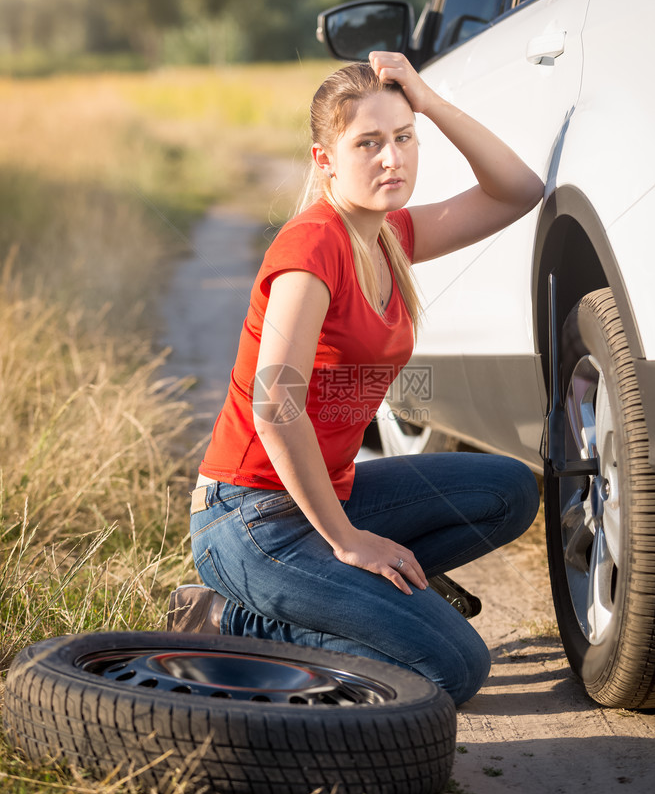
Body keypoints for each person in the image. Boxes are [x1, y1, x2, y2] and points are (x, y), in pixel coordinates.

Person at [168, 51, 543, 705]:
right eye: (368, 143)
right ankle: (226, 618)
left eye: (403, 138)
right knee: (454, 669)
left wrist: (427, 98)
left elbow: (519, 191)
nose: (392, 159)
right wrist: (348, 542)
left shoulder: (389, 234)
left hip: (326, 499)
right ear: (325, 160)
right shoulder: (312, 247)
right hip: (250, 516)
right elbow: (273, 405)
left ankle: (367, 600)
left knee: (509, 488)